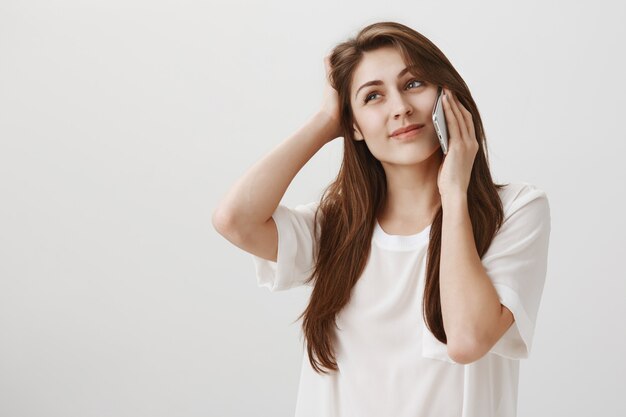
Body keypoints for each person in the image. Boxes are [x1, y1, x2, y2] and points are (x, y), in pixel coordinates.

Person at [213, 21, 551, 417]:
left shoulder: (513, 211)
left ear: (448, 94)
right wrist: (326, 120)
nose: (400, 108)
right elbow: (235, 220)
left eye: (413, 84)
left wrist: (454, 195)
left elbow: (467, 339)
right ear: (353, 124)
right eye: (373, 96)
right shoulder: (337, 227)